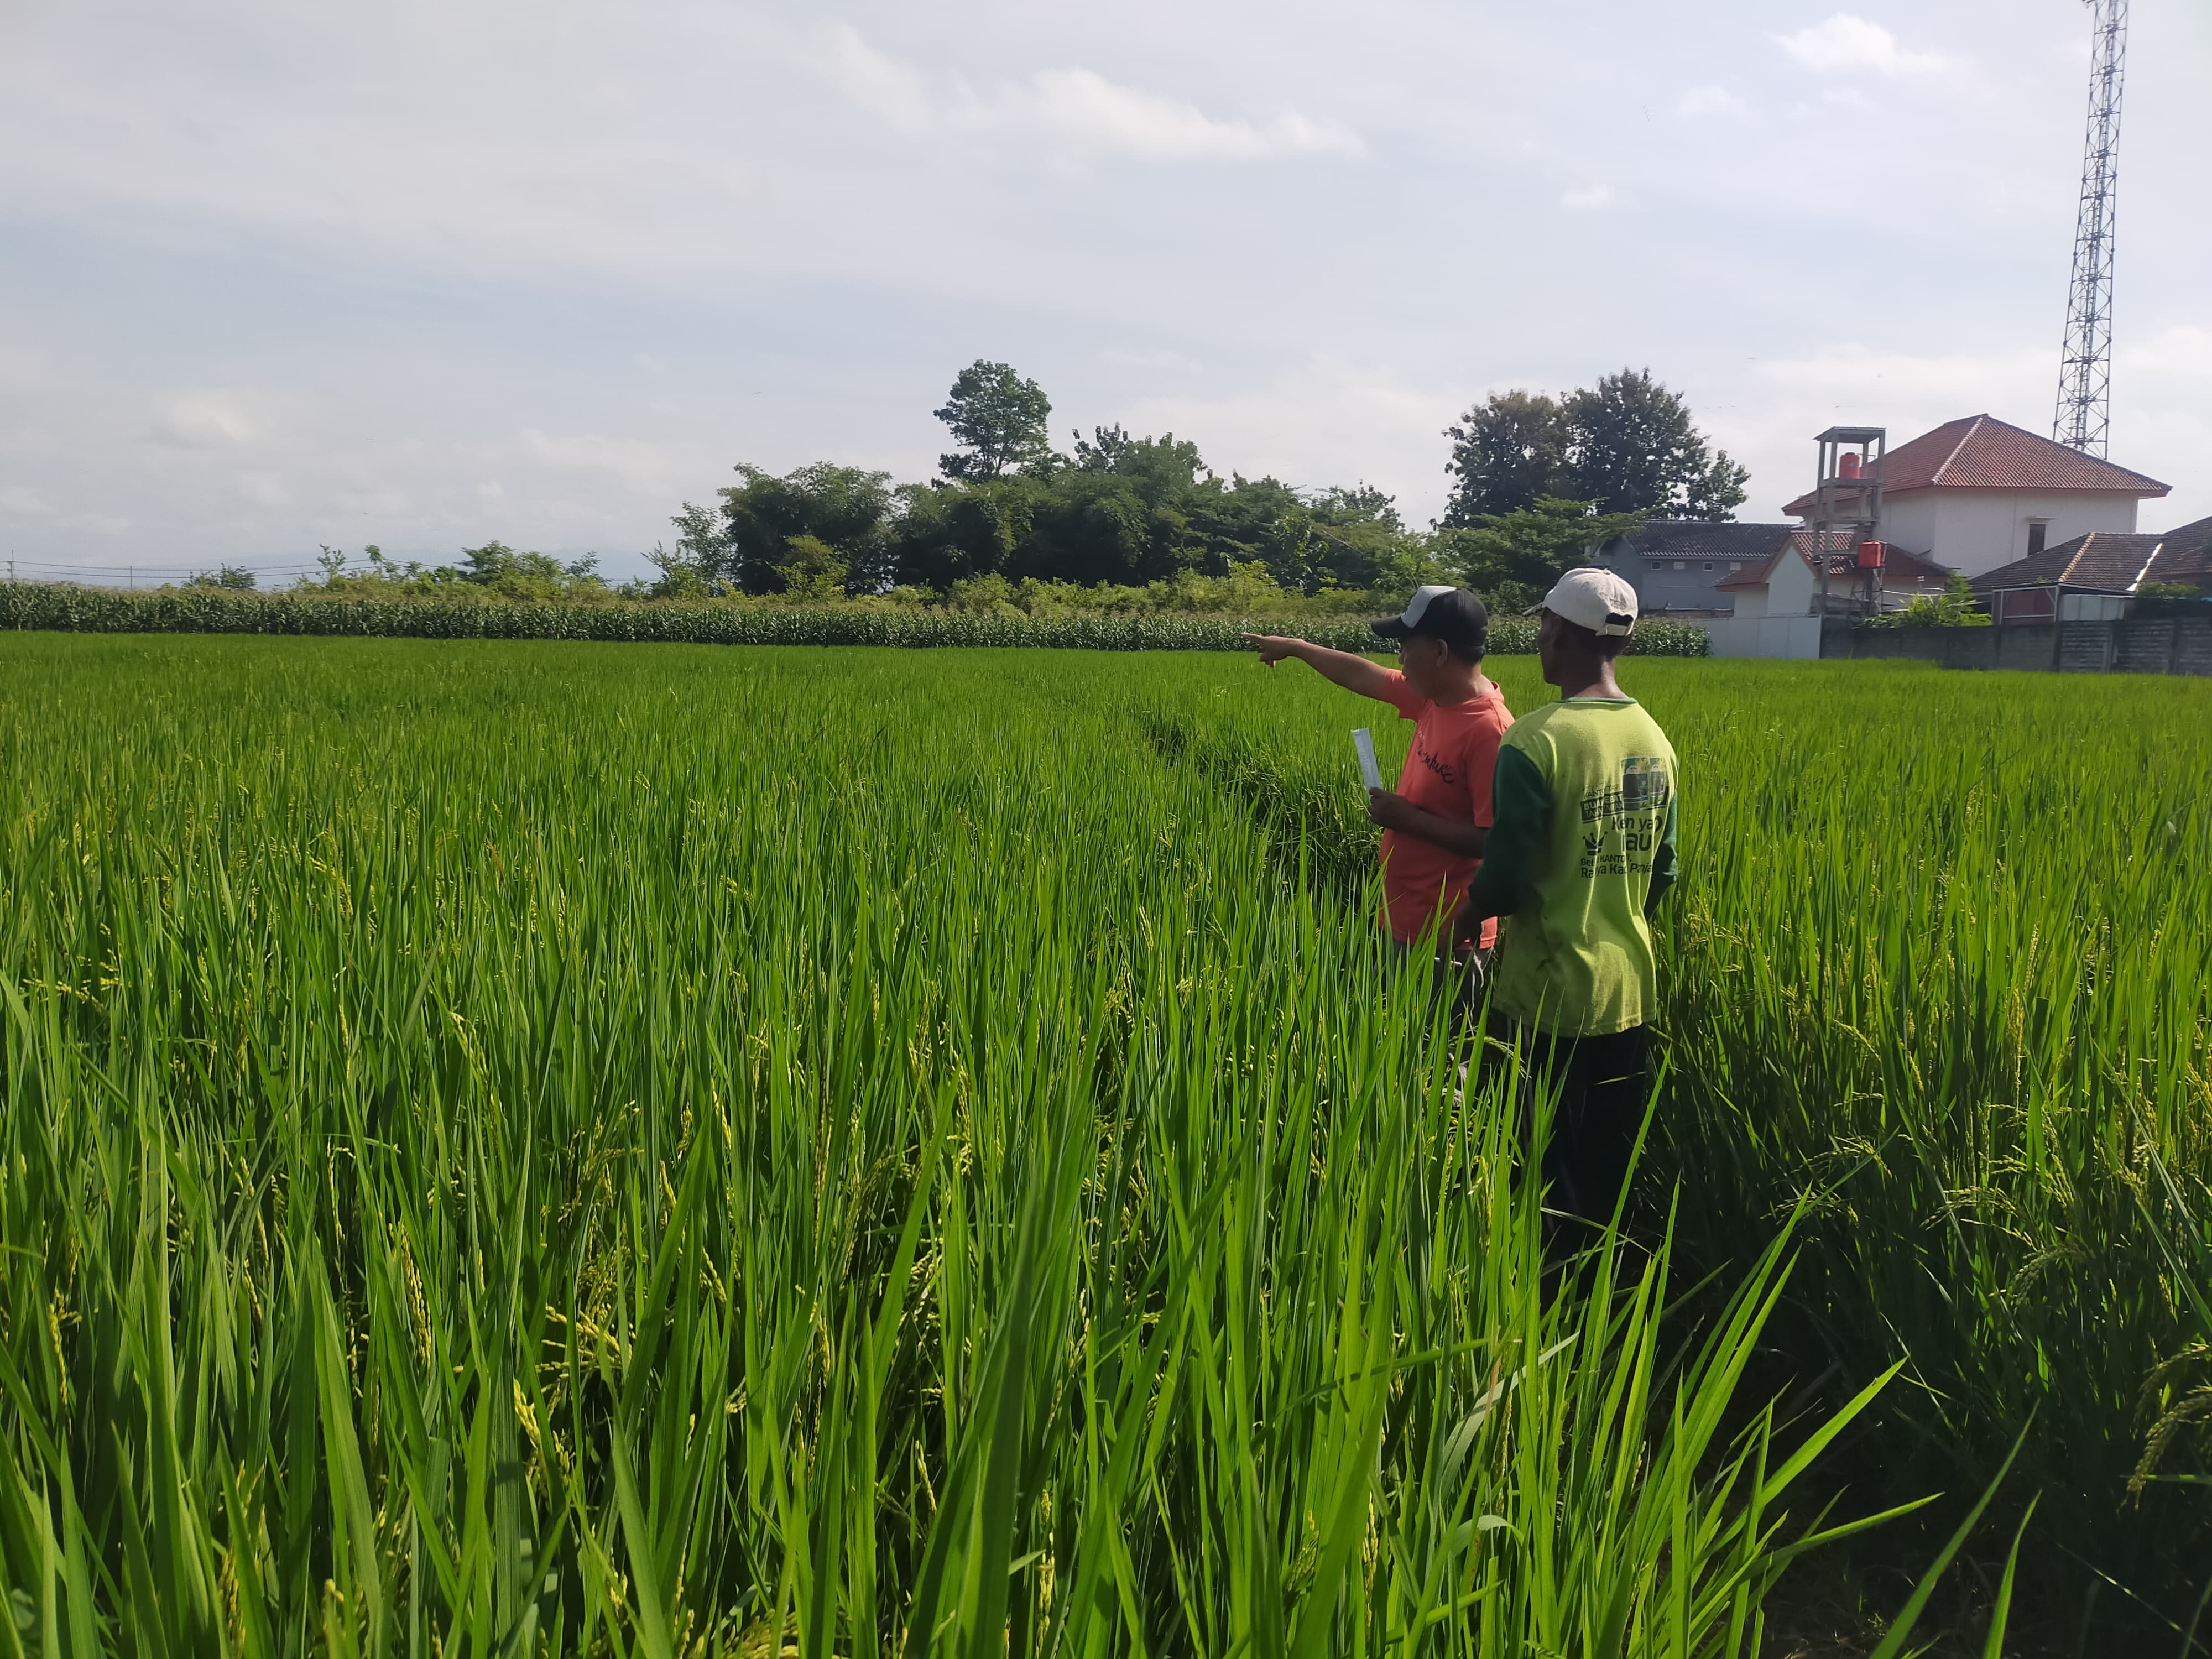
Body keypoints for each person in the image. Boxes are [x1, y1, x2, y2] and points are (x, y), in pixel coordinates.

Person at [1453, 568, 1679, 1237]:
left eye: (1544, 625)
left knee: (1538, 1171)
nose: (1539, 638)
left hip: (1546, 995)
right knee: (1606, 1169)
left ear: (1561, 633)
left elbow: (1506, 879)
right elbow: (1663, 871)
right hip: (1628, 990)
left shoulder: (1535, 739)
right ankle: (1604, 1311)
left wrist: (1469, 916)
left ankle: (1539, 1307)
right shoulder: (1655, 741)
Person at [1241, 586, 1512, 966]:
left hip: (1449, 939)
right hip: (1402, 917)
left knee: (1437, 1028)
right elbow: (1361, 674)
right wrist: (1295, 647)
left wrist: (1409, 820)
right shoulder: (1435, 698)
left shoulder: (1490, 732)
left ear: (1440, 652)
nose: (1399, 658)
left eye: (1405, 645)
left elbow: (1499, 843)